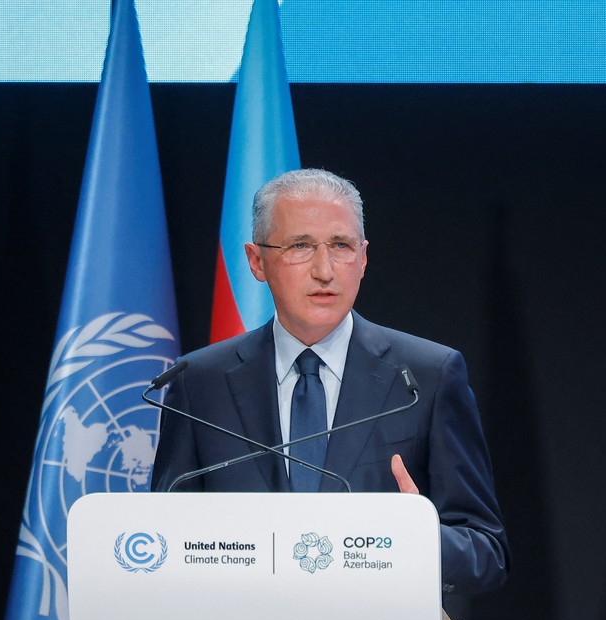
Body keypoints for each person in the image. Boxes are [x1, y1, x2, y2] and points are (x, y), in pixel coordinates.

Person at [150, 168, 509, 594]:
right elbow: (162, 542)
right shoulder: (198, 383)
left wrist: (416, 539)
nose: (324, 270)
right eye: (300, 246)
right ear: (257, 261)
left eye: (341, 245)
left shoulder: (427, 376)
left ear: (363, 258)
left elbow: (485, 553)